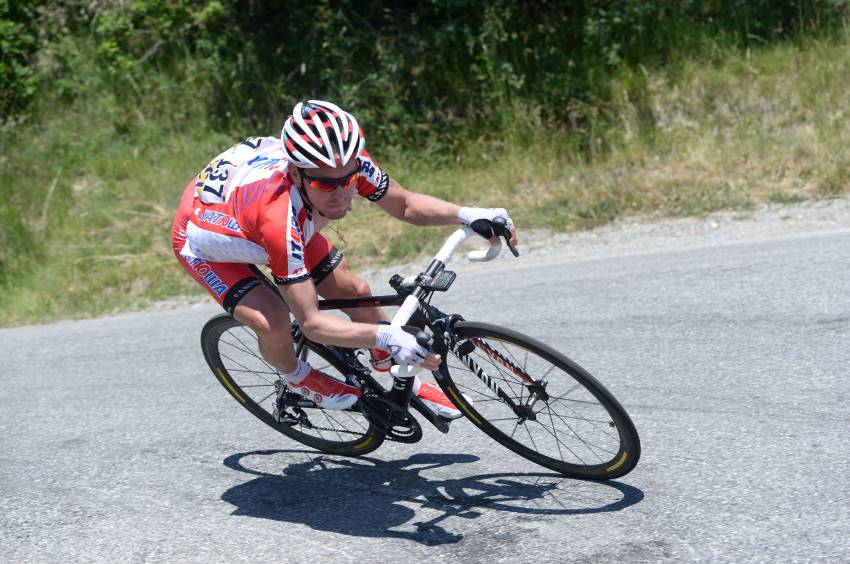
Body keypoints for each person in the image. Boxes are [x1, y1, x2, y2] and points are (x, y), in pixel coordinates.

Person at [171, 100, 518, 417]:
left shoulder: (339, 164)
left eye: (349, 179)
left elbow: (406, 204)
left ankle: (400, 379)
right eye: (325, 185)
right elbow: (312, 324)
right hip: (206, 241)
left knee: (355, 290)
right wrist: (387, 337)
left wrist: (469, 213)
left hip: (255, 204)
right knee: (276, 321)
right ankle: (296, 377)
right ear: (296, 174)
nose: (341, 193)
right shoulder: (278, 221)